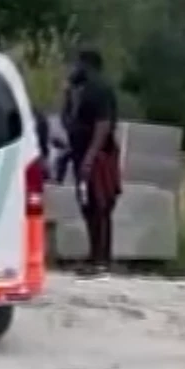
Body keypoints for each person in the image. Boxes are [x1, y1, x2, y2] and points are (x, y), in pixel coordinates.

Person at [65, 48, 122, 277]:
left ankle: (102, 260)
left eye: (77, 64)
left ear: (87, 66)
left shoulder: (99, 89)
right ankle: (93, 255)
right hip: (81, 154)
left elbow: (103, 124)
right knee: (87, 205)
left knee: (100, 205)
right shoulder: (80, 90)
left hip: (97, 156)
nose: (73, 69)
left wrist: (89, 157)